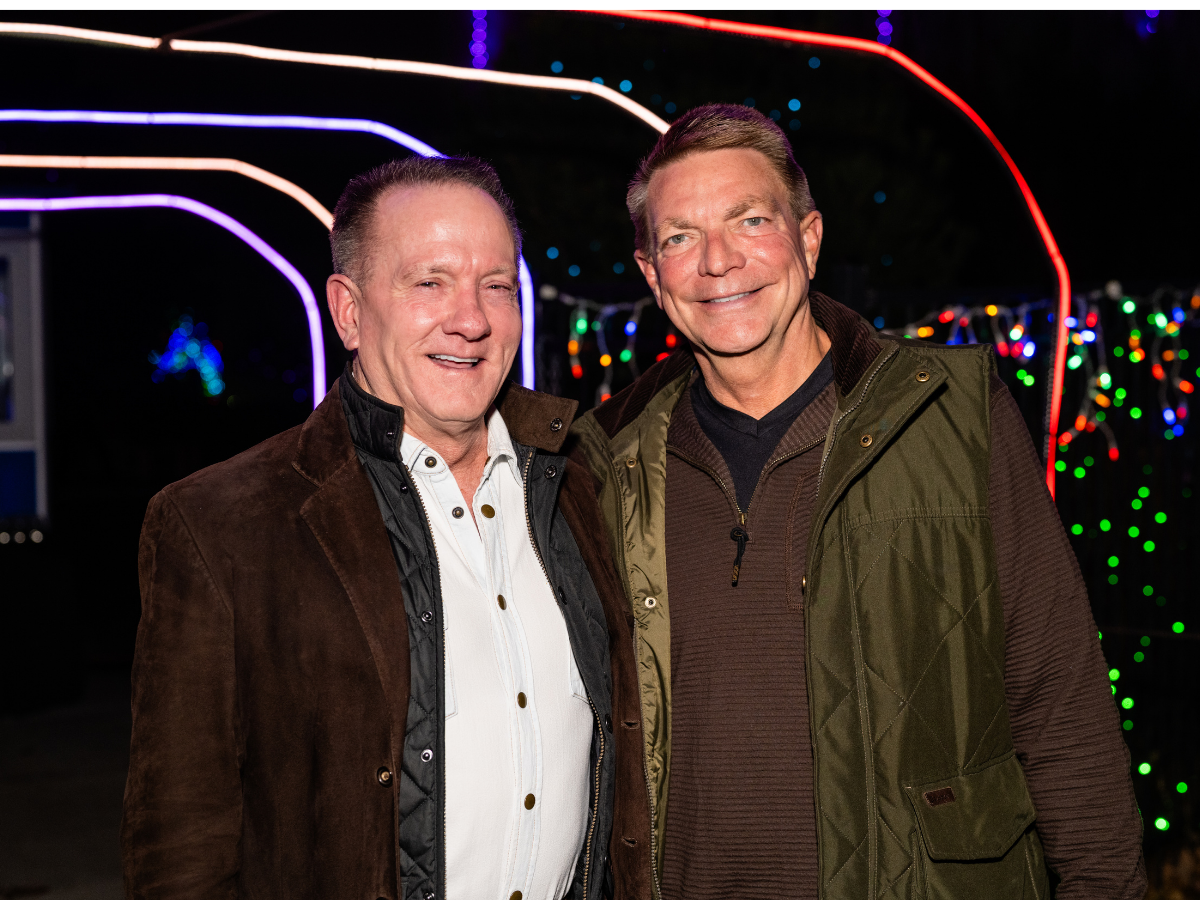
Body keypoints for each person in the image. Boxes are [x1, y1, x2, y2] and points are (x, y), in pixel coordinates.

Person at [569, 104, 1146, 900]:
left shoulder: (952, 416)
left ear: (808, 239)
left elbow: (1059, 697)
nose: (717, 262)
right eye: (679, 237)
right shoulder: (606, 462)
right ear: (649, 274)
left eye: (749, 220)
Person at [123, 156, 616, 900]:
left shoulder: (579, 486)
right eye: (430, 282)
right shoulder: (221, 527)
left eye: (496, 287)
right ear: (349, 311)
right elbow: (181, 849)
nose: (472, 319)